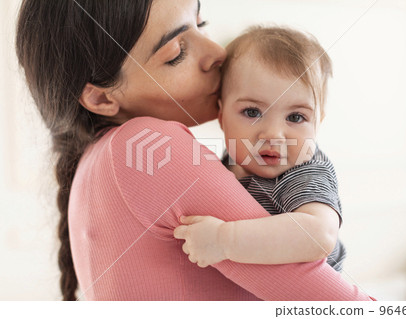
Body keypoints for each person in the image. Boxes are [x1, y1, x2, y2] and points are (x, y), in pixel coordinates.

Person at [16, 0, 374, 301]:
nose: (218, 53)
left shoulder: (95, 160)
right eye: (177, 52)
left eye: (200, 24)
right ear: (101, 96)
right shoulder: (148, 146)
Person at [174, 26, 346, 272]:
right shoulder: (232, 159)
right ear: (221, 115)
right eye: (252, 112)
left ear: (317, 123)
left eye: (296, 117)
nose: (274, 134)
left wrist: (224, 239)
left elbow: (320, 235)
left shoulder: (305, 173)